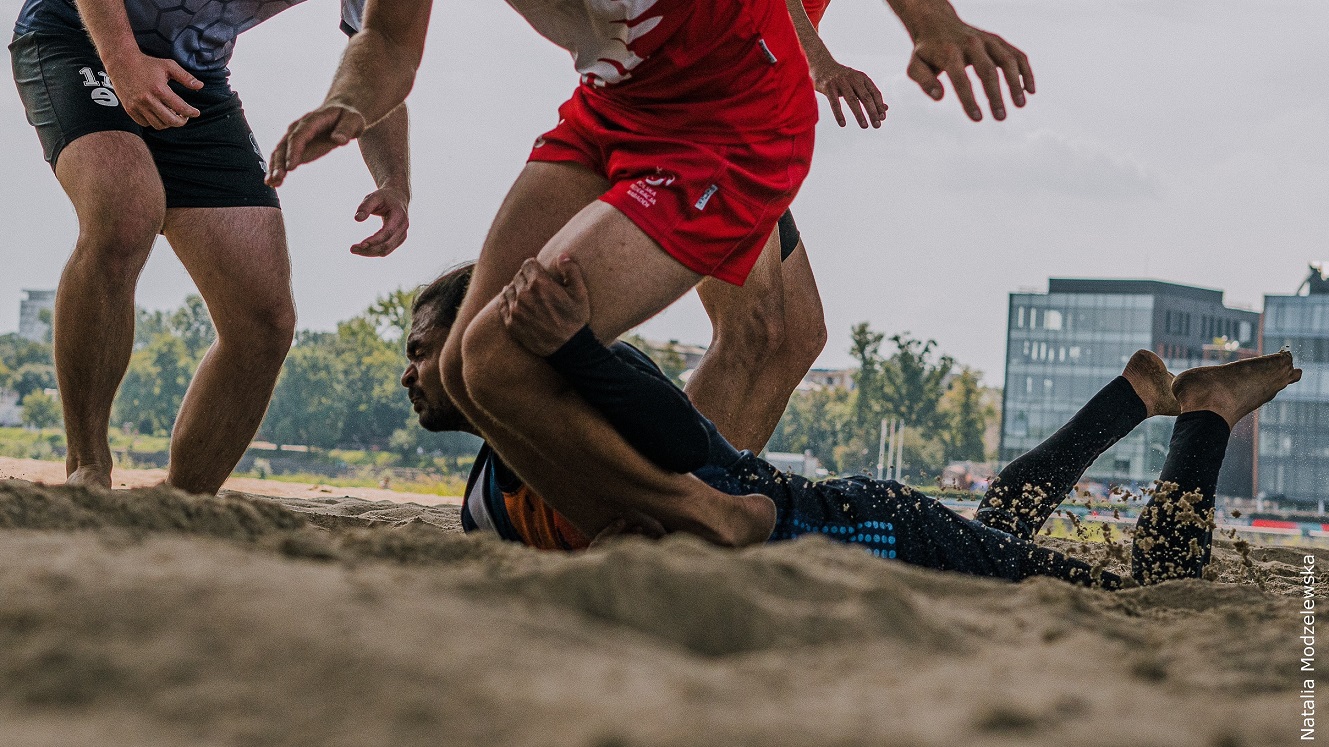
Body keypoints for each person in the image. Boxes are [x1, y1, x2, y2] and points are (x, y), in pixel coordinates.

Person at [270, 0, 1036, 545]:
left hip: (732, 117)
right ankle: (629, 531)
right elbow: (388, 39)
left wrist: (931, 23)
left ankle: (701, 515)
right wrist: (347, 103)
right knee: (471, 368)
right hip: (612, 102)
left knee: (507, 352)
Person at [402, 261, 1301, 587]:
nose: (414, 371)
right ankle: (1130, 398)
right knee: (994, 535)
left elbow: (687, 443)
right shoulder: (485, 491)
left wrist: (578, 351)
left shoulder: (562, 406)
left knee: (1146, 596)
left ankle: (1206, 416)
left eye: (423, 347)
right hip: (860, 526)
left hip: (863, 534)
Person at [8, 0, 411, 493]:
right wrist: (124, 61)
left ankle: (182, 501)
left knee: (264, 319)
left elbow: (381, 46)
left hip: (194, 74)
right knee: (126, 213)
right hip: (76, 37)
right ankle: (88, 466)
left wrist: (395, 180)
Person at [688, 0, 1034, 454]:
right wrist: (819, 63)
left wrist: (934, 24)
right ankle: (651, 499)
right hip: (702, 97)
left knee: (800, 335)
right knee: (751, 327)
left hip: (746, 111)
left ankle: (715, 492)